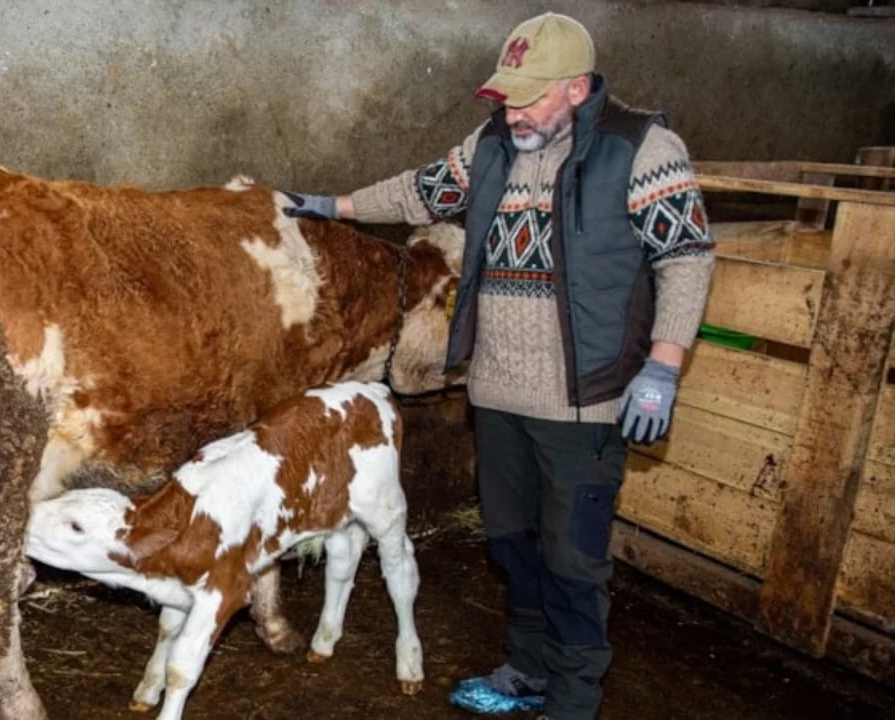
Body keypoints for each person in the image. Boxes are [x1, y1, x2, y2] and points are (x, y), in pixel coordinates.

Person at [281, 12, 715, 720]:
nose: (513, 112)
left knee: (573, 560)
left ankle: (574, 699)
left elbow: (687, 258)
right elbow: (420, 190)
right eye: (506, 97)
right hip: (498, 394)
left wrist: (664, 367)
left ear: (576, 89)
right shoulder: (493, 145)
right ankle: (526, 668)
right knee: (512, 544)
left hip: (585, 402)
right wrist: (328, 206)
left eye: (530, 97)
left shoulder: (640, 148)